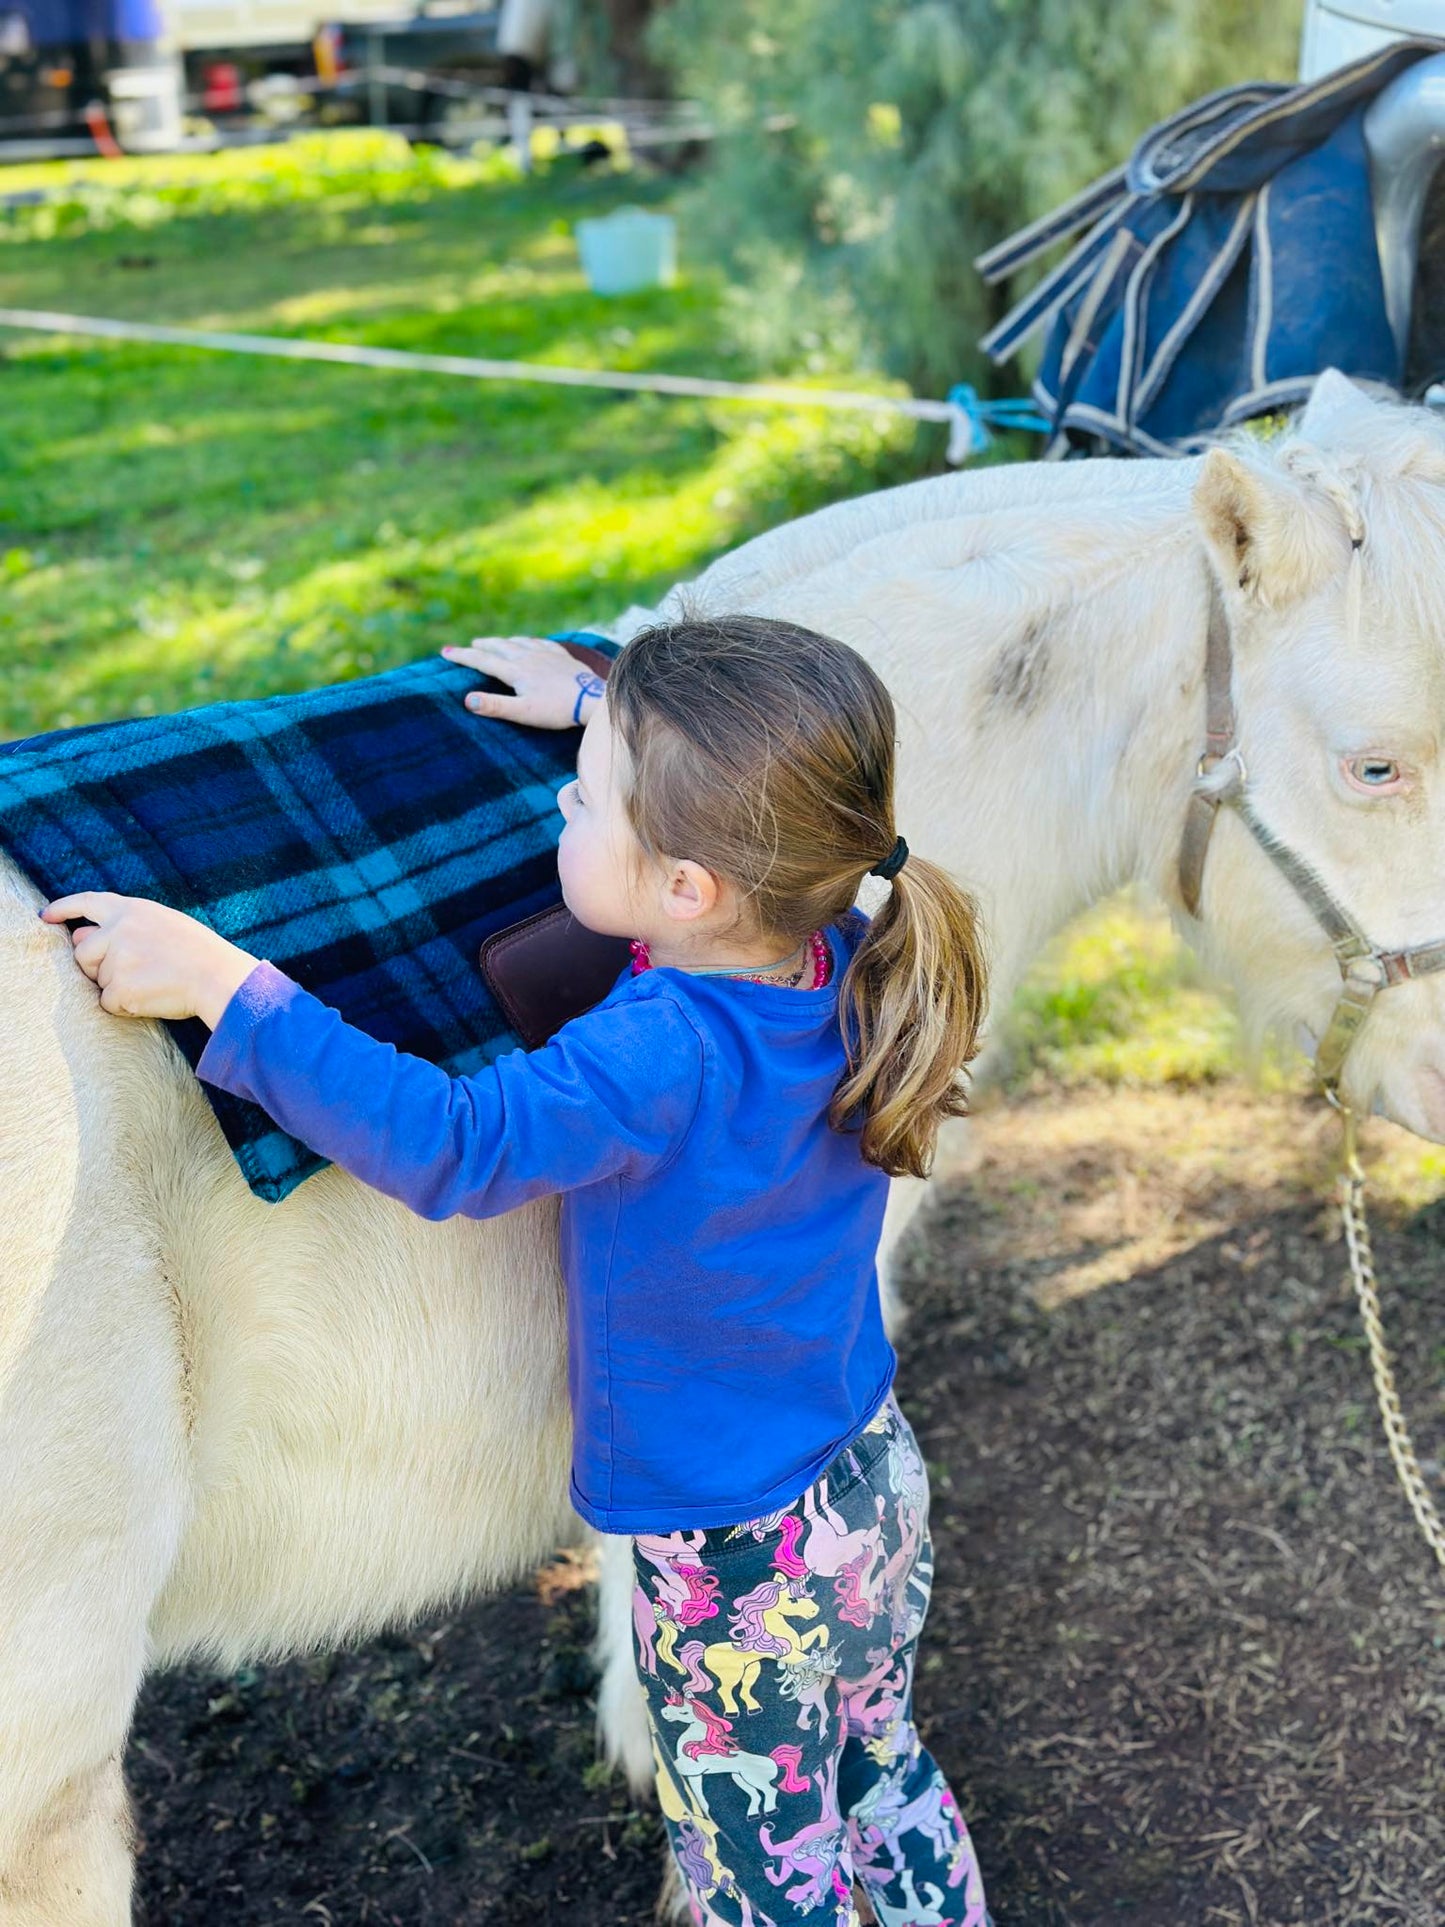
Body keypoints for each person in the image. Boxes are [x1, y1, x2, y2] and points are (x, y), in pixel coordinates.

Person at [42, 615, 992, 1927]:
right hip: (868, 1483)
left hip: (730, 1558)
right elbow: (728, 820)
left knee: (763, 1874)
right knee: (881, 1770)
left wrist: (229, 988)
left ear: (687, 890)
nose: (562, 793)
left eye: (591, 791)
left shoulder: (657, 1050)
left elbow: (453, 1146)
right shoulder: (840, 950)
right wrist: (596, 698)